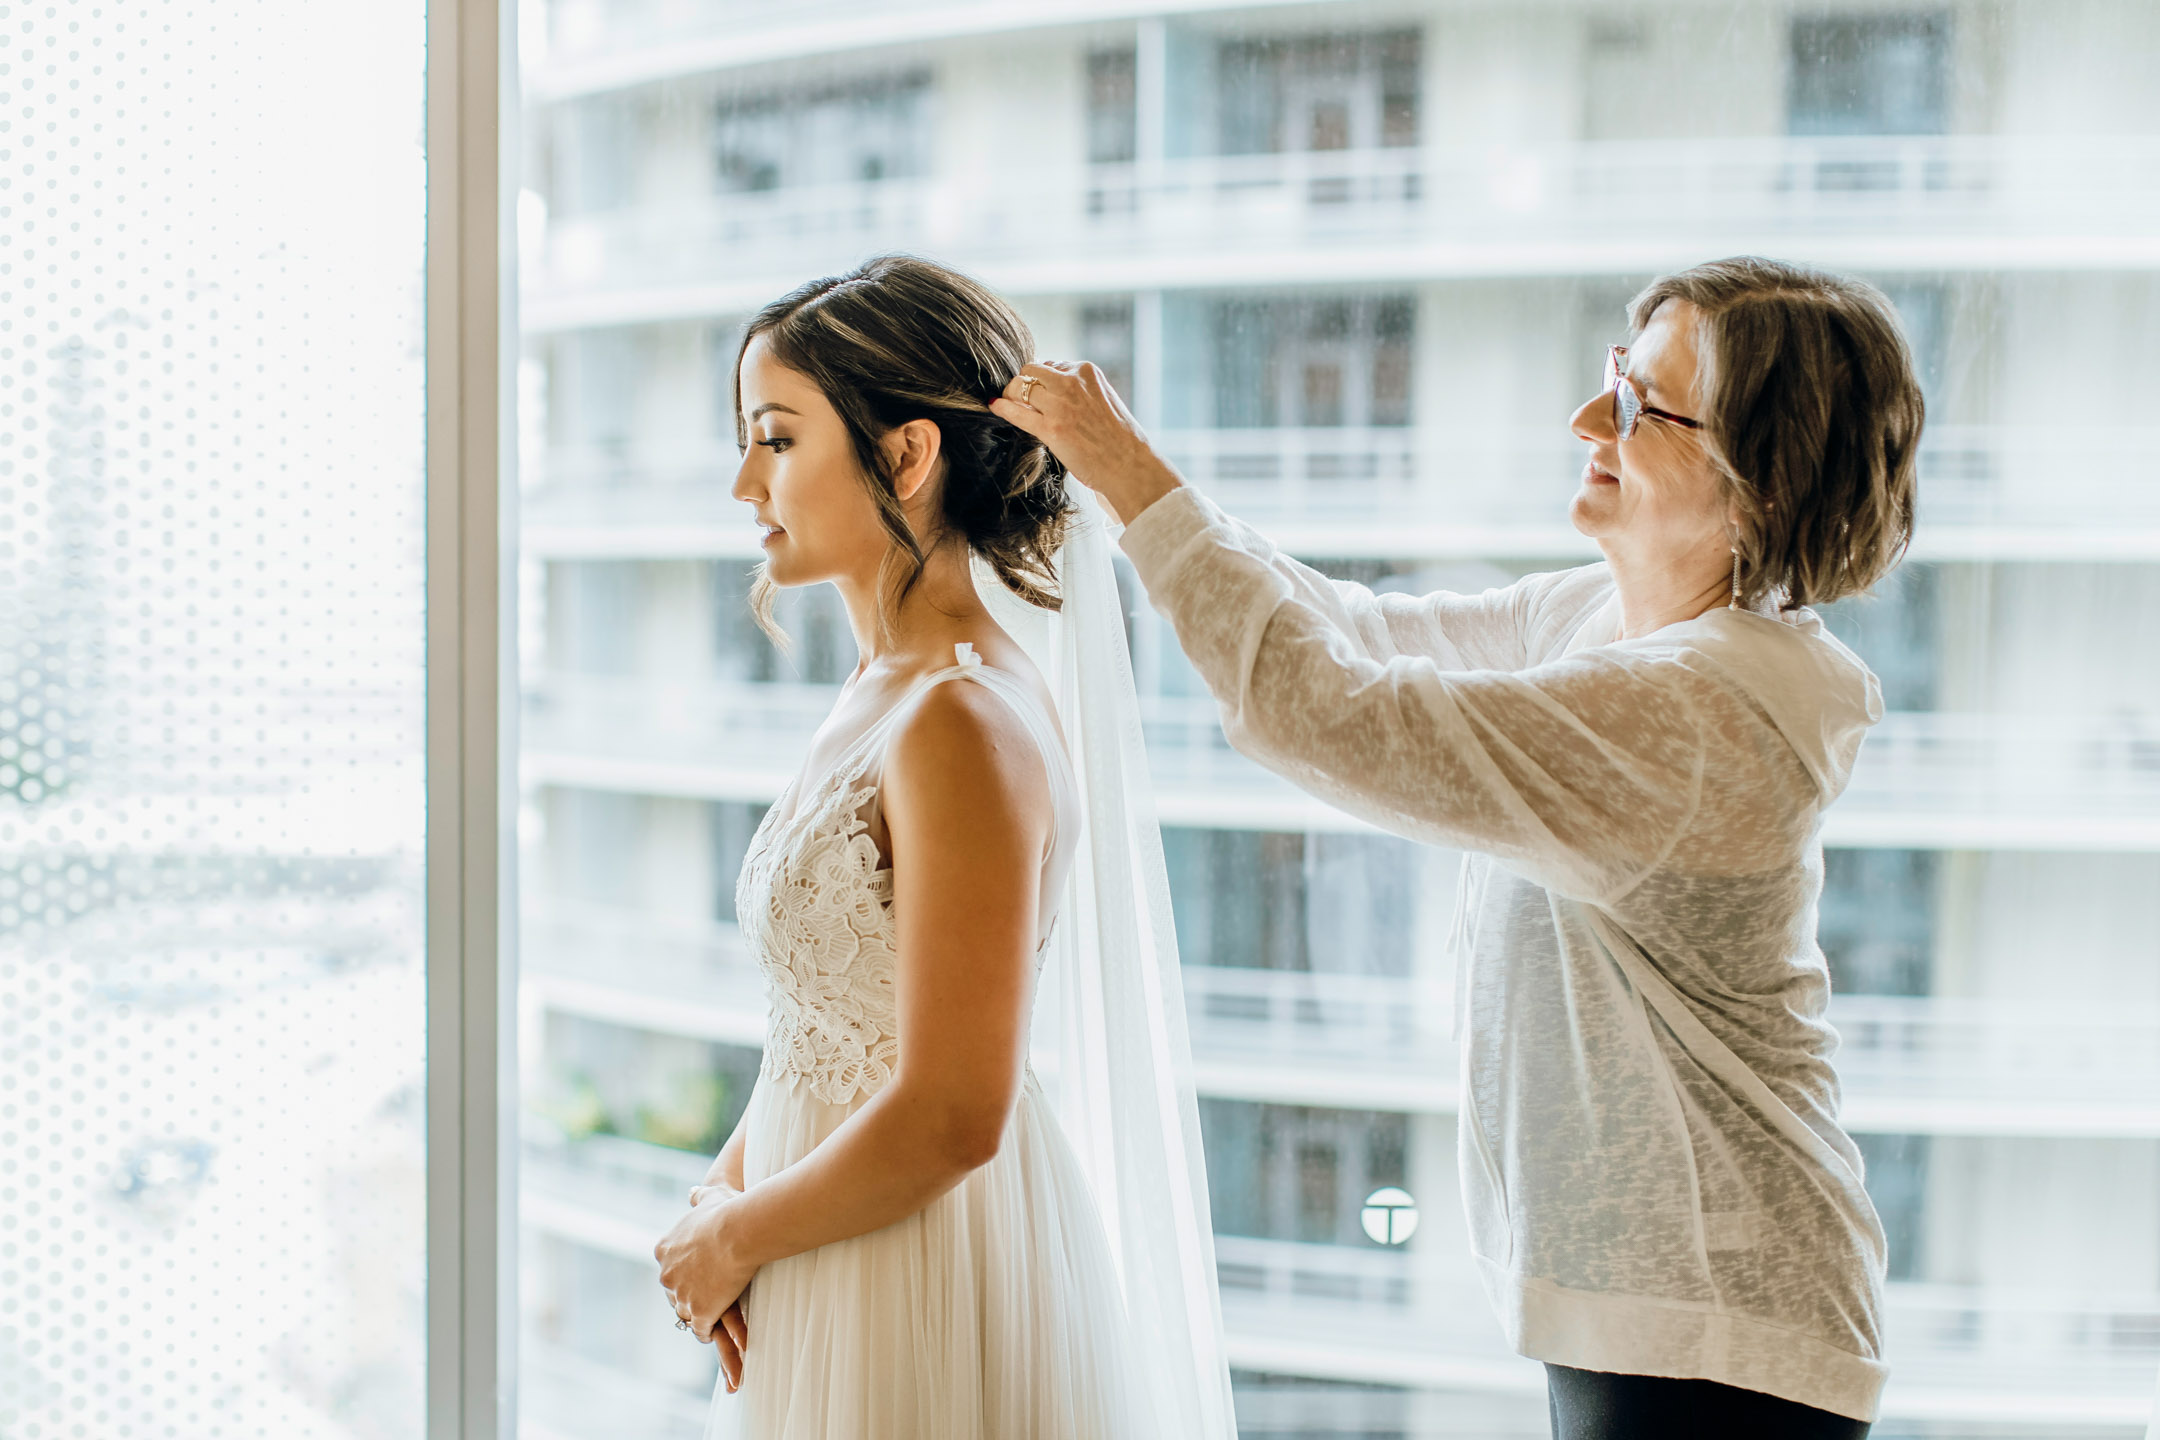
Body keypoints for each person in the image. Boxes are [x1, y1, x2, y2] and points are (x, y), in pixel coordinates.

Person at [993, 256, 1922, 1439]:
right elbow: (1354, 633)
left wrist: (1130, 477)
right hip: (1656, 1306)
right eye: (1612, 378)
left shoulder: (1702, 715)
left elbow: (1327, 713)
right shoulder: (1604, 617)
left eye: (1644, 407)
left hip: (1719, 1324)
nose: (1589, 419)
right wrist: (1139, 490)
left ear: (1760, 477)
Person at [651, 254, 1236, 1440]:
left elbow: (956, 1108)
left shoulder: (959, 719)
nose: (743, 485)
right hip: (827, 1239)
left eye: (776, 441)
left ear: (906, 457)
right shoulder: (880, 689)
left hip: (919, 1270)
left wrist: (737, 1235)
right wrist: (725, 1183)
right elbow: (833, 1026)